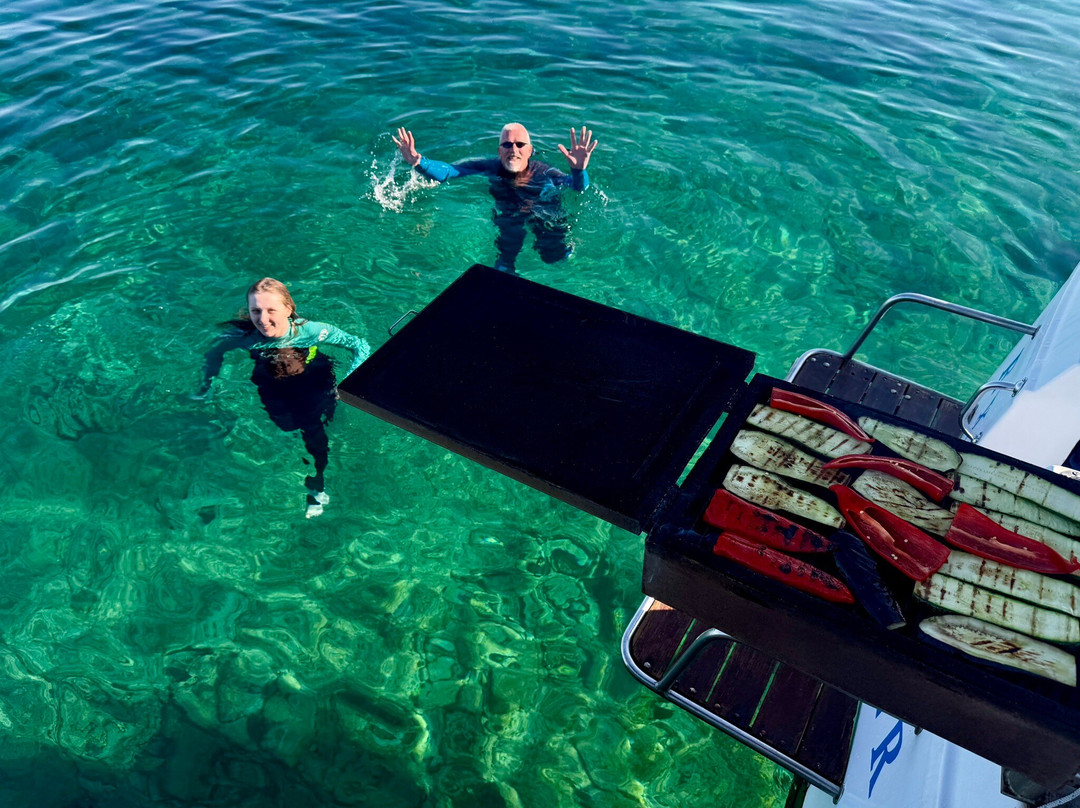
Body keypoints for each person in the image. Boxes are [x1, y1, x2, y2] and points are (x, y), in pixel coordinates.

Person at [198, 278, 370, 518]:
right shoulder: (245, 337)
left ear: (289, 309)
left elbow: (359, 345)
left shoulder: (311, 331)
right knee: (287, 424)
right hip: (270, 379)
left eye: (271, 310)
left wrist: (347, 384)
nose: (263, 319)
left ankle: (317, 485)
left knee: (313, 430)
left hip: (313, 376)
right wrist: (206, 386)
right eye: (255, 311)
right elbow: (214, 352)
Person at [393, 122, 598, 273]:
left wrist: (578, 170)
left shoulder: (546, 173)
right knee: (504, 260)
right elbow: (451, 171)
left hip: (545, 213)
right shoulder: (490, 167)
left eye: (520, 144)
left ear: (530, 151)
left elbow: (576, 188)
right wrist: (419, 162)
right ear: (499, 151)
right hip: (510, 213)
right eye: (507, 145)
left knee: (555, 258)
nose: (514, 150)